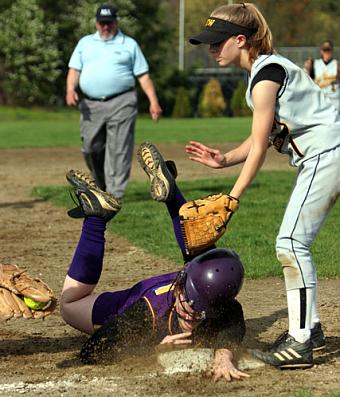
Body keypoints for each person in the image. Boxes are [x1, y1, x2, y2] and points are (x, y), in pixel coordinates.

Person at [186, 3, 340, 369]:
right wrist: (224, 159)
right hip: (327, 153)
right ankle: (311, 327)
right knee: (293, 242)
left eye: (218, 41)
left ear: (240, 40)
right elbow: (262, 137)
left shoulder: (267, 73)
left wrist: (232, 197)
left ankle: (301, 342)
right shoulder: (266, 71)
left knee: (290, 243)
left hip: (328, 153)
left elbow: (259, 149)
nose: (212, 48)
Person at [60, 142, 249, 382]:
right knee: (68, 305)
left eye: (198, 308)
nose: (191, 312)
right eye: (187, 301)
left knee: (200, 255)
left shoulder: (215, 295)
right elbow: (92, 350)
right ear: (181, 287)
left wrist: (224, 356)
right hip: (130, 304)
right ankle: (96, 218)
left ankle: (171, 192)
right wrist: (153, 347)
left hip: (190, 277)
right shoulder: (147, 312)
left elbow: (234, 323)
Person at [65, 4, 162, 201]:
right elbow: (74, 70)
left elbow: (143, 75)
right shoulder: (85, 43)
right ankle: (101, 185)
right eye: (102, 23)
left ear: (116, 22)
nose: (105, 27)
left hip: (122, 101)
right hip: (91, 105)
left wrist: (153, 102)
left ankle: (114, 195)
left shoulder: (129, 44)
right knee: (91, 147)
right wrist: (70, 90)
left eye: (109, 23)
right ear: (96, 23)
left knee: (118, 149)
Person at [303, 40, 340, 112]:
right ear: (321, 51)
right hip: (319, 99)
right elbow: (306, 78)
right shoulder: (315, 64)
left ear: (332, 51)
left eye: (329, 50)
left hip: (335, 100)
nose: (327, 53)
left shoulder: (337, 64)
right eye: (325, 50)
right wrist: (307, 68)